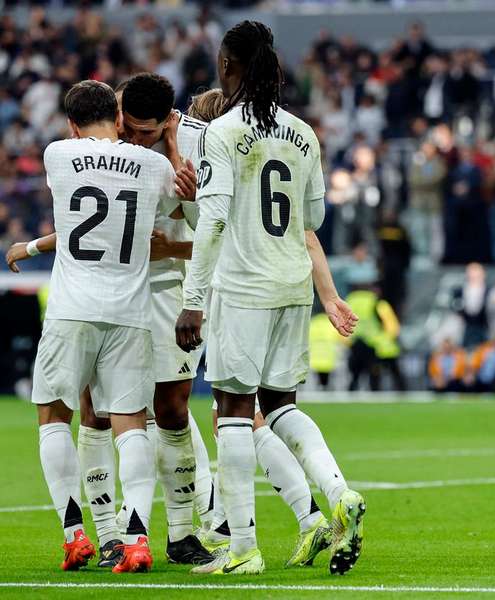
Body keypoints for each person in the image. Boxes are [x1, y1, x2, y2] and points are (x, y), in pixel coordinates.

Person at [175, 21, 364, 576]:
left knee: (233, 410)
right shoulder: (305, 134)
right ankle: (340, 493)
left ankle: (243, 549)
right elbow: (314, 219)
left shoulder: (223, 131)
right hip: (291, 284)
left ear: (229, 66)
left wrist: (194, 300)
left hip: (242, 286)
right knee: (281, 405)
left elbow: (211, 221)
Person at [8, 73, 215, 567]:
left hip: (71, 311)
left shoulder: (57, 155)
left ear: (71, 124)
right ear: (119, 117)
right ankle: (139, 538)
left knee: (56, 416)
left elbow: (79, 218)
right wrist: (170, 151)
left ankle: (76, 533)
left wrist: (34, 244)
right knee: (131, 427)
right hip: (130, 313)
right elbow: (181, 202)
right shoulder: (151, 165)